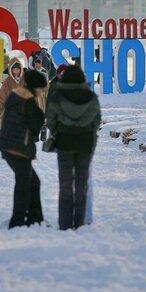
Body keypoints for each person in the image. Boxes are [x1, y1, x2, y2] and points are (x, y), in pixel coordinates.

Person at [45, 65, 101, 230]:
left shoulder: (57, 97)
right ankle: (79, 223)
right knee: (82, 184)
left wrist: (59, 131)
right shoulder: (91, 96)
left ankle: (64, 224)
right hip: (85, 144)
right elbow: (96, 120)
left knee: (65, 184)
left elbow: (51, 120)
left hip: (64, 143)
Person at [0, 70, 48, 228]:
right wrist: (42, 116)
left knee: (33, 182)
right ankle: (18, 222)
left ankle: (35, 218)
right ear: (35, 86)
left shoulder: (16, 96)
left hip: (8, 146)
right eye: (41, 88)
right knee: (24, 185)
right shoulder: (28, 100)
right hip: (18, 148)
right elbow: (35, 127)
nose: (41, 92)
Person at [0, 59, 24, 125]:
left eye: (18, 69)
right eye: (14, 69)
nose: (16, 71)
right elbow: (2, 94)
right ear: (11, 70)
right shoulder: (8, 80)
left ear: (20, 70)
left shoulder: (24, 80)